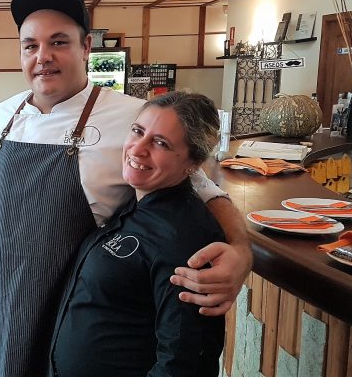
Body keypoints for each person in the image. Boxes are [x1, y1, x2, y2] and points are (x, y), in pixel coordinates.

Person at [0, 0, 252, 377]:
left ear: (86, 46)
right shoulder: (2, 118)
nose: (43, 58)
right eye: (30, 46)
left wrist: (242, 252)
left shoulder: (131, 117)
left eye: (59, 42)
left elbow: (207, 191)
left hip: (66, 315)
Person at [49, 91, 226, 377]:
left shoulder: (186, 238)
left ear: (193, 164)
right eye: (137, 131)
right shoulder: (133, 201)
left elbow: (185, 361)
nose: (138, 149)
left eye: (160, 143)